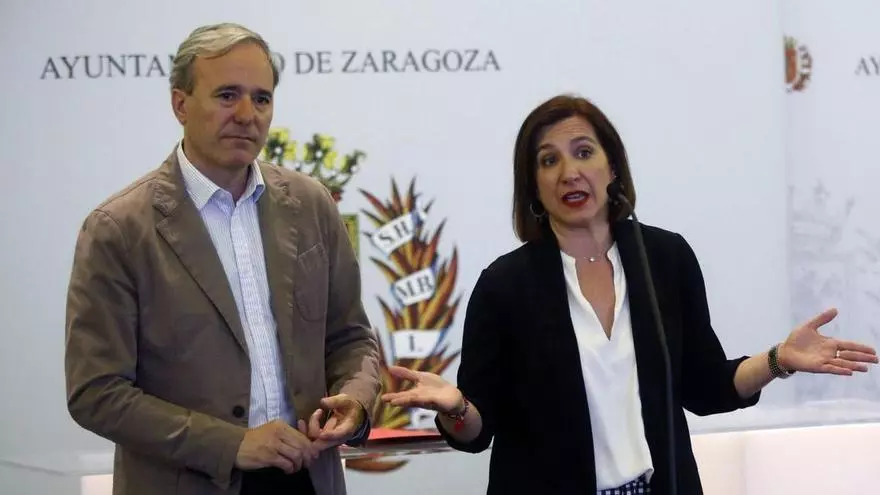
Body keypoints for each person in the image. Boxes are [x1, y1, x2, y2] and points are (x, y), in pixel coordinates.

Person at [381, 94, 879, 494]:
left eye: (584, 152)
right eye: (549, 160)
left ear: (612, 167)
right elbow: (476, 433)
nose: (569, 172)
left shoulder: (664, 258)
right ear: (533, 186)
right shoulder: (504, 285)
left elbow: (706, 387)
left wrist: (778, 359)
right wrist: (456, 408)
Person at [64, 23, 380, 495]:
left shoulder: (312, 204)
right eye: (228, 95)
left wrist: (355, 401)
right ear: (180, 104)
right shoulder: (118, 229)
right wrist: (229, 445)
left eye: (261, 99)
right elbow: (96, 392)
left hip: (310, 478)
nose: (247, 115)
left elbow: (351, 338)